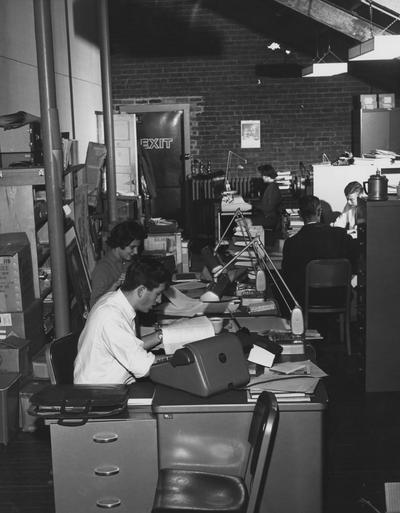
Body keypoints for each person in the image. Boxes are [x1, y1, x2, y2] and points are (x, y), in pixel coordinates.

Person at [74, 256, 171, 384]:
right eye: (157, 294)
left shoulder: (114, 300)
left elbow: (131, 347)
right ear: (141, 290)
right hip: (100, 395)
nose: (159, 300)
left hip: (110, 388)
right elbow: (145, 366)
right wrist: (183, 358)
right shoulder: (111, 317)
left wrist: (162, 335)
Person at [281, 195, 358, 309]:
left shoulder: (291, 243)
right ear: (319, 211)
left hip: (307, 299)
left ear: (300, 214)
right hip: (339, 296)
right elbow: (356, 266)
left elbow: (288, 278)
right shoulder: (341, 236)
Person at [90, 220, 146, 308]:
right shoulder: (103, 270)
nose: (136, 252)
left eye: (137, 247)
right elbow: (94, 306)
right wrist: (114, 287)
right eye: (132, 247)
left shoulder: (128, 261)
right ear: (121, 243)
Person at [252, 164, 282, 231]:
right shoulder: (271, 186)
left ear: (267, 176)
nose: (262, 177)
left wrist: (254, 205)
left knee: (246, 222)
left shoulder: (273, 188)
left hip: (270, 218)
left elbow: (269, 208)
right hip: (268, 216)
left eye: (263, 175)